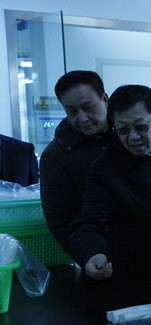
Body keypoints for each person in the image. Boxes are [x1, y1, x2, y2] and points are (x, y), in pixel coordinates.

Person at [68, 84, 151, 310]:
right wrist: (93, 253)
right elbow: (90, 223)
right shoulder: (106, 167)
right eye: (122, 130)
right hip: (142, 285)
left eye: (141, 127)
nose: (133, 137)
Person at [40, 71, 114, 255]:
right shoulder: (56, 156)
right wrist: (90, 255)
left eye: (88, 107)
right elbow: (62, 221)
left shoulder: (129, 134)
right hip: (101, 255)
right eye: (72, 111)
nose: (82, 118)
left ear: (105, 99)